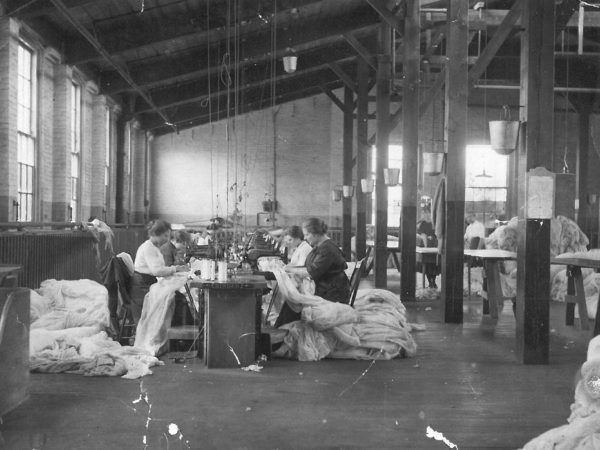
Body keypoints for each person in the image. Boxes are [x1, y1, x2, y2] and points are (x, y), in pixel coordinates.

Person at [275, 217, 350, 327]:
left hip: (332, 292)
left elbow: (311, 272)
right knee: (291, 301)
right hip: (325, 287)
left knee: (294, 302)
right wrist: (289, 269)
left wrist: (289, 269)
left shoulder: (327, 249)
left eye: (307, 235)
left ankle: (284, 334)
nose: (304, 238)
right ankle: (282, 333)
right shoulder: (320, 246)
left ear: (315, 233)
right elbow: (309, 267)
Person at [130, 219, 188, 324]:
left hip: (147, 284)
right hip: (143, 288)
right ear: (156, 234)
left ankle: (175, 333)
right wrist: (175, 269)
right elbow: (157, 271)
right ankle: (173, 333)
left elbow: (158, 268)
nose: (166, 239)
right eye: (165, 236)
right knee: (177, 298)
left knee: (178, 296)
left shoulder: (153, 247)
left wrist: (173, 271)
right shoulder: (148, 248)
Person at [416, 208, 439, 288]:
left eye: (426, 213)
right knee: (427, 264)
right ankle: (430, 281)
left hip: (434, 244)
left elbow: (437, 234)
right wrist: (426, 247)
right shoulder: (422, 224)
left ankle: (433, 281)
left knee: (434, 264)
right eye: (423, 213)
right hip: (426, 245)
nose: (425, 215)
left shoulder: (434, 223)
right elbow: (423, 236)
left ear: (430, 213)